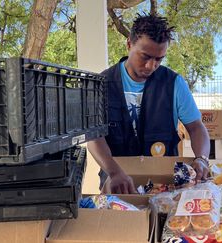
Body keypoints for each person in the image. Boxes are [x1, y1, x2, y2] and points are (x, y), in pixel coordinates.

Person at [87, 13, 210, 194]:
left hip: (165, 185)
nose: (151, 66)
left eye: (159, 59)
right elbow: (94, 138)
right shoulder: (101, 84)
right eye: (145, 56)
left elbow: (196, 127)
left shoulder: (174, 83)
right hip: (117, 182)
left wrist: (201, 158)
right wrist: (114, 172)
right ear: (129, 44)